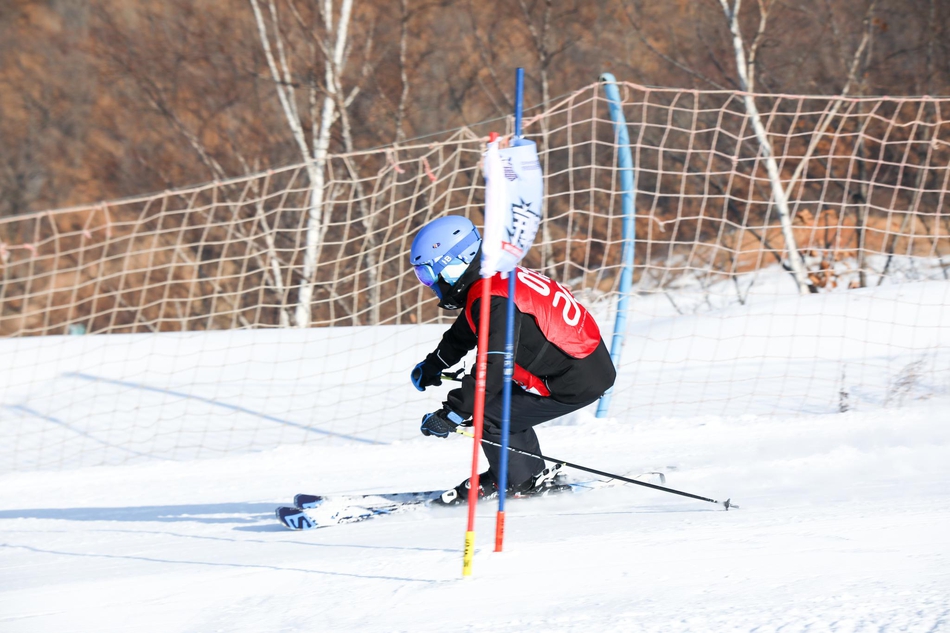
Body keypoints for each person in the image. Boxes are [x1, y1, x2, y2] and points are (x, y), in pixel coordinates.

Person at [409, 215, 617, 504]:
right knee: (500, 406)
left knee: (489, 412)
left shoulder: (493, 300)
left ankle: (517, 483)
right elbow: (467, 330)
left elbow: (493, 369)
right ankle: (528, 477)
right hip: (583, 364)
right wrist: (435, 364)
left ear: (454, 264)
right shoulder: (493, 279)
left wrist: (452, 413)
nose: (429, 284)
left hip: (576, 377)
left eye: (428, 274)